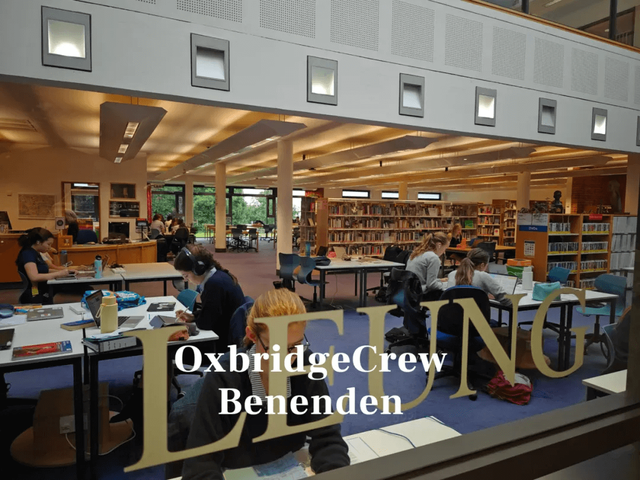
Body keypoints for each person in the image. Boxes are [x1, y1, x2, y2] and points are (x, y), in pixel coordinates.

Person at [181, 288, 350, 479]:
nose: (287, 359)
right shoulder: (225, 376)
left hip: (290, 466)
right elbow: (200, 465)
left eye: (295, 346)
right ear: (253, 336)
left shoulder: (305, 364)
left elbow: (328, 438)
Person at [173, 245, 245, 352]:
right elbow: (213, 311)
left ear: (198, 270)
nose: (185, 280)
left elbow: (206, 323)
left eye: (186, 275)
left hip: (222, 345)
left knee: (175, 348)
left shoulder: (214, 285)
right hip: (227, 336)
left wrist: (194, 321)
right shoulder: (219, 275)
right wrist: (193, 316)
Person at [15, 228, 74, 304]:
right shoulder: (28, 254)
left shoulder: (36, 253)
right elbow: (34, 276)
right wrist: (58, 274)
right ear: (38, 242)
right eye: (48, 244)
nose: (50, 247)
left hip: (43, 290)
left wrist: (66, 272)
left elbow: (43, 270)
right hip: (34, 294)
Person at [447, 248, 512, 306]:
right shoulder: (482, 276)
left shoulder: (452, 274)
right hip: (476, 315)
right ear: (482, 265)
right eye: (486, 266)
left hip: (452, 314)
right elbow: (506, 298)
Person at [406, 232, 449, 301]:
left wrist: (439, 280)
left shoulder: (417, 253)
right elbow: (431, 285)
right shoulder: (433, 258)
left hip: (409, 291)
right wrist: (448, 284)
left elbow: (422, 277)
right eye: (445, 248)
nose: (444, 252)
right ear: (439, 245)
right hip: (420, 294)